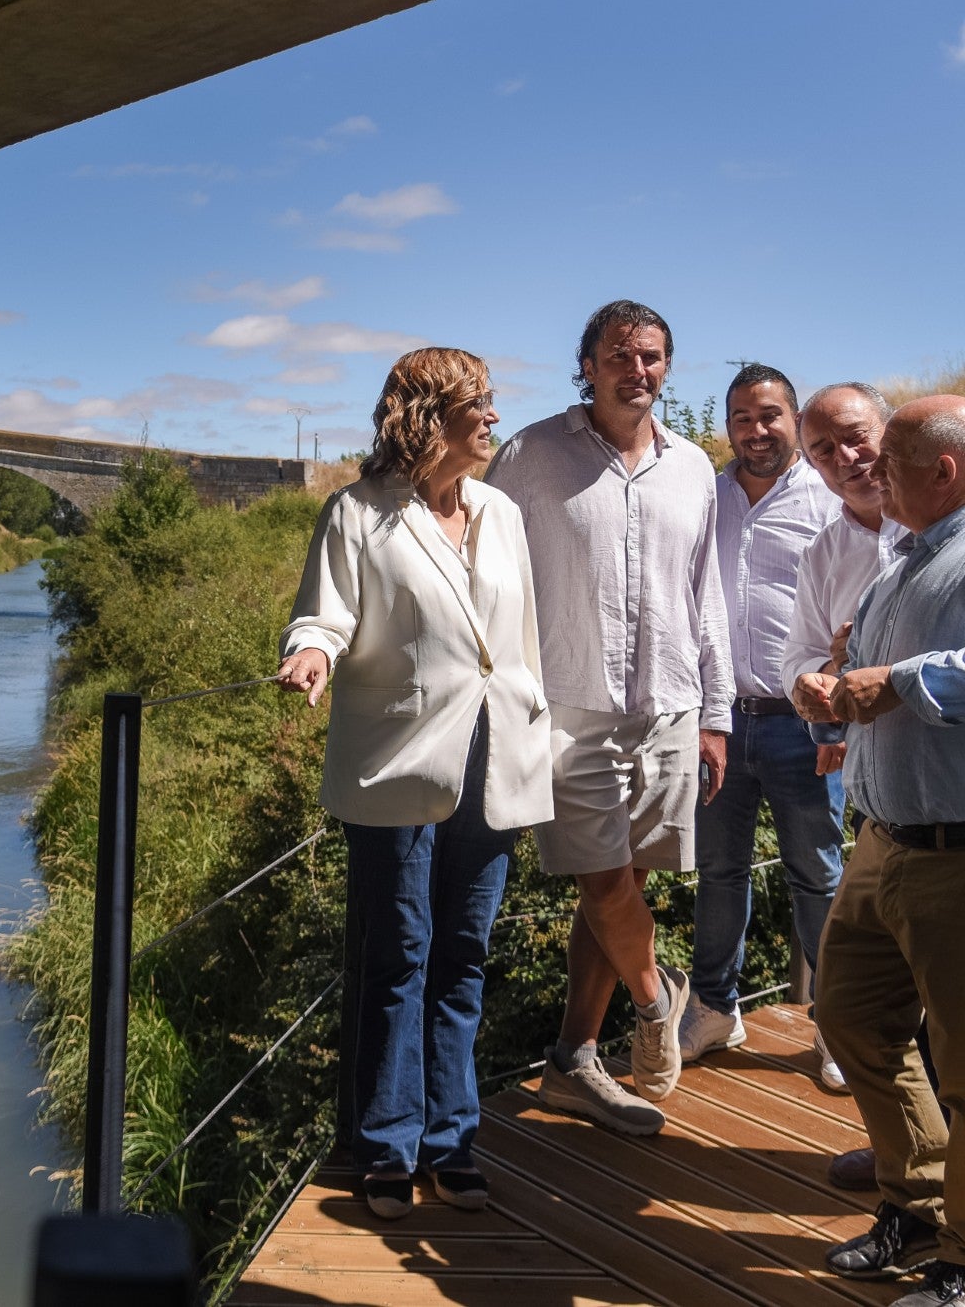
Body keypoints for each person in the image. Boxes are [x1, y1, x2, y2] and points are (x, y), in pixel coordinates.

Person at [277, 347, 553, 1219]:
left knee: (462, 956)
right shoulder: (358, 515)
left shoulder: (502, 512)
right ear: (431, 415)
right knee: (399, 954)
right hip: (400, 761)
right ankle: (387, 1147)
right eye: (481, 405)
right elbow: (326, 611)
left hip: (496, 756)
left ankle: (453, 1141)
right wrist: (312, 652)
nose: (494, 420)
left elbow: (518, 637)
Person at [485, 300, 732, 1137]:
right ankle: (658, 996)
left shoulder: (695, 466)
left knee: (626, 880)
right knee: (600, 876)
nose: (640, 371)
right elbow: (484, 565)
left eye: (654, 356)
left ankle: (573, 1062)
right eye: (621, 355)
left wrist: (717, 711)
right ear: (586, 365)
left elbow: (707, 595)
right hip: (568, 706)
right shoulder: (529, 455)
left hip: (669, 702)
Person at [804, 395, 965, 1307]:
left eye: (890, 462)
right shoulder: (902, 559)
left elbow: (909, 678)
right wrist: (827, 681)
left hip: (955, 852)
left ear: (940, 471)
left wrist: (896, 681)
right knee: (855, 1019)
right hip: (882, 840)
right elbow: (857, 660)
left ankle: (963, 1264)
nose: (871, 477)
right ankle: (916, 1202)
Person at [684, 364, 844, 1087]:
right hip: (718, 719)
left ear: (795, 418)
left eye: (771, 415)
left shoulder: (828, 498)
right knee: (718, 872)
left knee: (819, 875)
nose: (756, 430)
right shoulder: (704, 497)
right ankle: (715, 1007)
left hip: (804, 724)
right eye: (743, 418)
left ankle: (837, 1030)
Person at [783, 381, 910, 1191]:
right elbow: (801, 659)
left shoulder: (946, 529)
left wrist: (876, 660)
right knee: (872, 1006)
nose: (845, 460)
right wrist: (819, 687)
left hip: (951, 804)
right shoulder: (823, 554)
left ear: (888, 433)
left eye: (856, 438)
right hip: (881, 806)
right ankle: (910, 1162)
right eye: (823, 451)